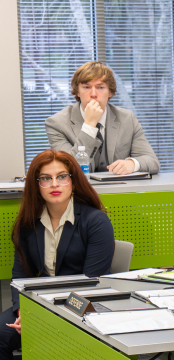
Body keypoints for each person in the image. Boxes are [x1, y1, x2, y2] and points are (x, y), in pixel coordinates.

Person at [0, 150, 115, 359]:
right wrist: (22, 313)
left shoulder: (95, 222)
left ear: (73, 181)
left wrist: (46, 317)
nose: (55, 184)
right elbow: (20, 277)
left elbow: (92, 284)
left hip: (81, 308)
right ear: (37, 185)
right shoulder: (28, 223)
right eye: (46, 178)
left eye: (62, 177)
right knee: (1, 333)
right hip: (40, 303)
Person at [45, 61, 161, 174]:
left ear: (110, 92)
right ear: (77, 92)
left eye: (100, 87)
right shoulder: (56, 123)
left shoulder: (127, 119)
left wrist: (132, 163)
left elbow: (152, 162)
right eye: (86, 87)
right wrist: (89, 125)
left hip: (118, 191)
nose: (93, 94)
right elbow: (67, 168)